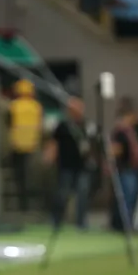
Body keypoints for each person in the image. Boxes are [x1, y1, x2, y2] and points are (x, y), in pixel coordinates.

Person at [43, 97, 96, 230]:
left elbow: (93, 143)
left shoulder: (87, 125)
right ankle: (56, 221)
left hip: (82, 166)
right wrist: (49, 156)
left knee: (83, 194)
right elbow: (54, 142)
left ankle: (81, 222)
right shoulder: (63, 126)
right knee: (62, 193)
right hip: (66, 165)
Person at [109, 96, 138, 231]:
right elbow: (114, 149)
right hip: (125, 168)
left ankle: (134, 221)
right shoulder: (120, 131)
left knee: (135, 196)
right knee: (125, 197)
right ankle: (124, 223)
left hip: (137, 167)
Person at [7, 79, 43, 212]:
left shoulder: (14, 105)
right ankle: (27, 204)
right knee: (29, 176)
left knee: (19, 176)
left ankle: (22, 204)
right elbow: (40, 127)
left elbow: (9, 123)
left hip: (17, 144)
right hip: (32, 145)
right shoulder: (36, 107)